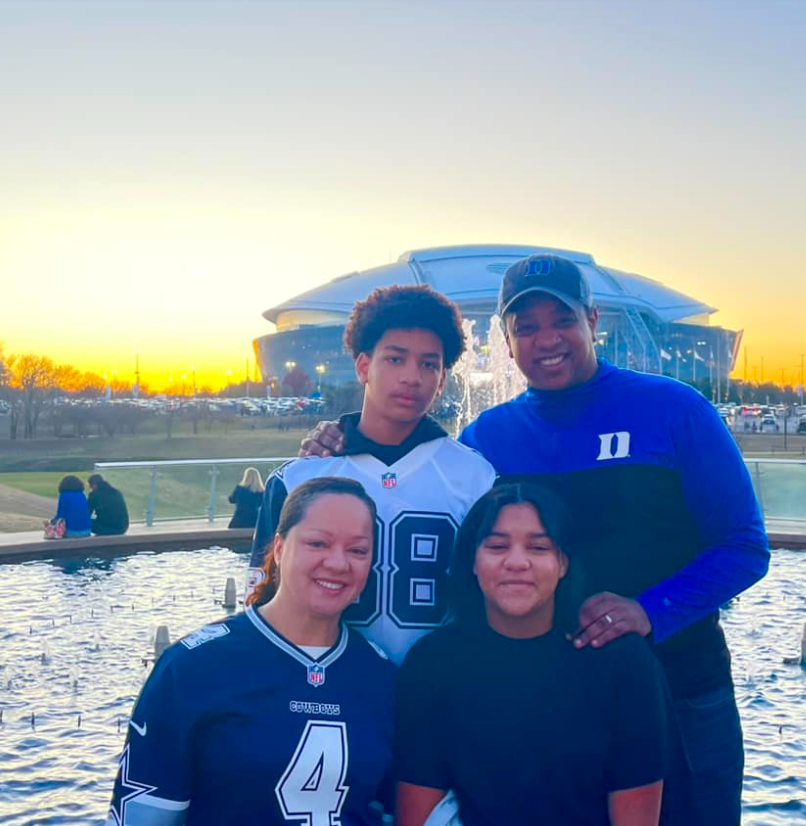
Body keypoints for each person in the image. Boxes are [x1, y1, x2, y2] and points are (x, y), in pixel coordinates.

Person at [301, 254, 769, 825]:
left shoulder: (674, 410)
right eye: (526, 326)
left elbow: (744, 544)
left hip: (680, 684)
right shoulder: (489, 439)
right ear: (506, 338)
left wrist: (649, 610)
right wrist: (339, 438)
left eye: (562, 320)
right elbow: (428, 505)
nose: (547, 339)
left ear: (594, 321)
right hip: (554, 696)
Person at [107, 477, 397, 826]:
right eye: (318, 543)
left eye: (358, 550)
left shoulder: (381, 675)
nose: (337, 563)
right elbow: (144, 817)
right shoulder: (193, 667)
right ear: (279, 546)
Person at [396, 483, 672, 826]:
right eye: (497, 546)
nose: (517, 562)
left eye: (538, 547)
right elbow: (418, 813)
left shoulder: (622, 662)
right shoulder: (431, 664)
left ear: (563, 563)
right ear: (472, 561)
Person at [248, 284, 496, 664]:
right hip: (324, 692)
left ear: (443, 378)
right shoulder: (299, 478)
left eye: (429, 364)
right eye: (395, 359)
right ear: (364, 366)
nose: (412, 377)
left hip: (440, 690)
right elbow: (261, 602)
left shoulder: (476, 477)